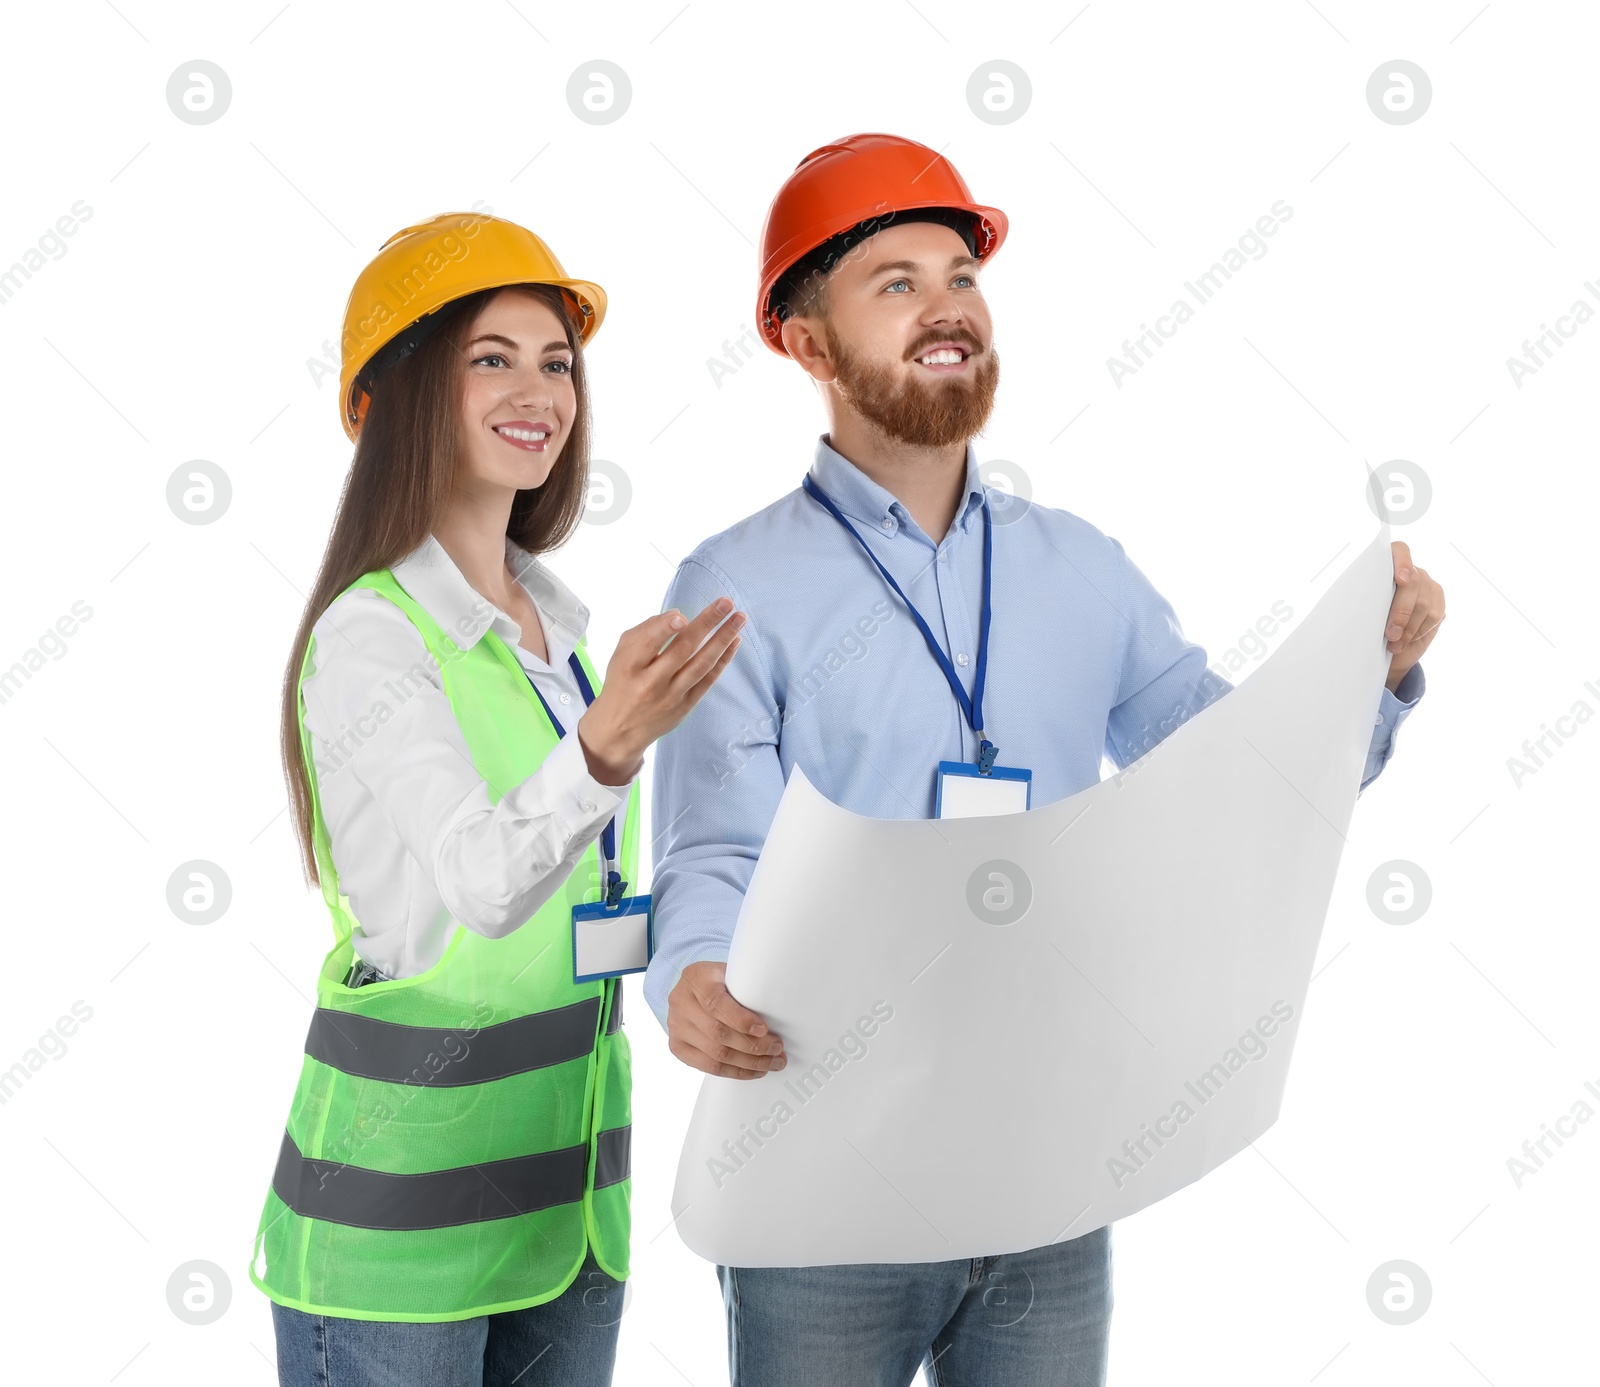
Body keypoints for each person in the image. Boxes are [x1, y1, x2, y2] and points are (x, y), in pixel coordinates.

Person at [643, 134, 1447, 1385]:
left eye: (961, 275)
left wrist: (1372, 675)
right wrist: (691, 973)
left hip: (1048, 1180)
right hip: (821, 1191)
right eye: (895, 283)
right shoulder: (734, 587)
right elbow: (713, 845)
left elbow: (1240, 782)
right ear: (806, 344)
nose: (947, 308)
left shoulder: (1082, 568)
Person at [247, 211, 744, 1387]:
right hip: (394, 1243)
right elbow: (482, 881)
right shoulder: (371, 637)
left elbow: (586, 895)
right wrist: (611, 743)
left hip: (562, 1210)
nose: (541, 390)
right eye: (493, 357)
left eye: (557, 362)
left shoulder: (556, 633)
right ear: (409, 390)